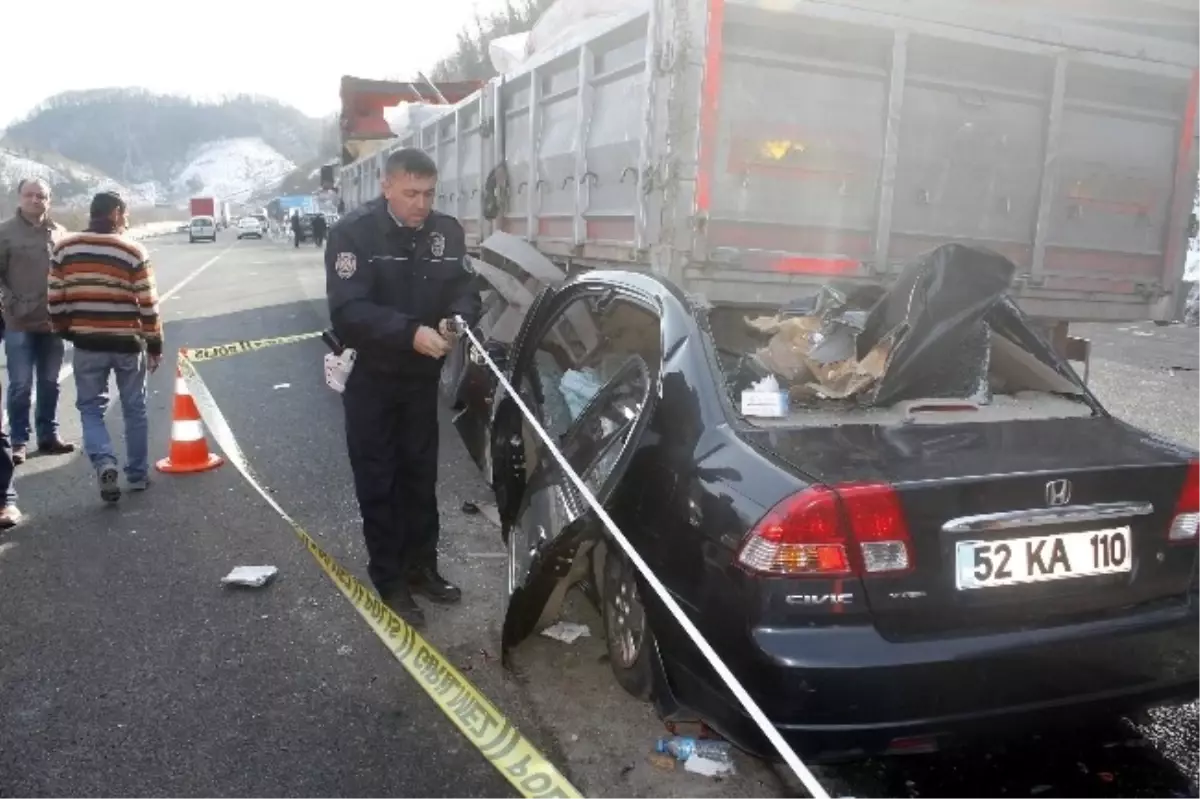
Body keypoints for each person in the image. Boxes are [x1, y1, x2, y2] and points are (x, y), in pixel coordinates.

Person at [325, 147, 481, 627]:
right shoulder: (353, 233)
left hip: (420, 379)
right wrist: (410, 333)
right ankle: (389, 579)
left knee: (420, 475)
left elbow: (465, 287)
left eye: (429, 193)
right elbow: (349, 310)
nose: (421, 203)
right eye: (411, 193)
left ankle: (422, 568)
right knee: (379, 478)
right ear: (386, 186)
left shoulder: (446, 231)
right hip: (372, 376)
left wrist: (459, 318)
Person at [48, 192, 163, 504]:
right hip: (128, 343)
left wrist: (66, 332)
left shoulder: (64, 248)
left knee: (90, 408)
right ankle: (137, 476)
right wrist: (155, 345)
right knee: (134, 409)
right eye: (124, 214)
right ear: (116, 213)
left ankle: (105, 462)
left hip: (88, 343)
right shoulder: (133, 249)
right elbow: (148, 304)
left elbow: (55, 299)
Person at [0, 178, 76, 464]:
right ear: (19, 197)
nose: (35, 200)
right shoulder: (5, 233)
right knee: (20, 384)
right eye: (29, 195)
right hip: (18, 322)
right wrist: (6, 304)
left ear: (49, 199)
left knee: (50, 382)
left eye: (41, 196)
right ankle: (18, 440)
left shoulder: (60, 233)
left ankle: (48, 435)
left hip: (53, 322)